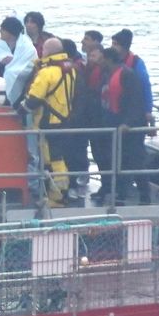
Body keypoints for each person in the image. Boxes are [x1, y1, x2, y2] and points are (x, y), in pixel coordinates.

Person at [23, 38, 77, 205]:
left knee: (51, 161)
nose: (41, 53)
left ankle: (58, 195)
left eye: (43, 50)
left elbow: (33, 99)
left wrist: (20, 111)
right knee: (56, 159)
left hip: (47, 122)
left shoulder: (46, 73)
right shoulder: (70, 70)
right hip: (64, 120)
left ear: (48, 52)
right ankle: (59, 193)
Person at [98, 47, 151, 204]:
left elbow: (135, 102)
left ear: (109, 59)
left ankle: (145, 195)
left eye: (102, 59)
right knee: (118, 160)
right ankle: (121, 193)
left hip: (130, 127)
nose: (100, 62)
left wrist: (128, 123)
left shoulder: (127, 75)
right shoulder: (109, 75)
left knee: (135, 161)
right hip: (115, 124)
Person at [66, 45, 107, 200]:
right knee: (82, 150)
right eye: (89, 56)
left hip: (92, 119)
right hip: (86, 118)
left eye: (94, 56)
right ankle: (82, 177)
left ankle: (87, 179)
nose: (90, 59)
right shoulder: (85, 70)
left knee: (97, 153)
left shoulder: (98, 73)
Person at [0, 16, 37, 106]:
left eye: (2, 30)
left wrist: (11, 68)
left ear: (10, 33)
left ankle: (9, 100)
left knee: (11, 74)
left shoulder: (27, 47)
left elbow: (29, 65)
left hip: (22, 82)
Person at [110, 29, 154, 128]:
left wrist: (148, 110)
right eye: (112, 44)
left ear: (124, 47)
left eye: (115, 44)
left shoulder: (137, 63)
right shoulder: (112, 61)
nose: (112, 47)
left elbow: (146, 86)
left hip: (133, 110)